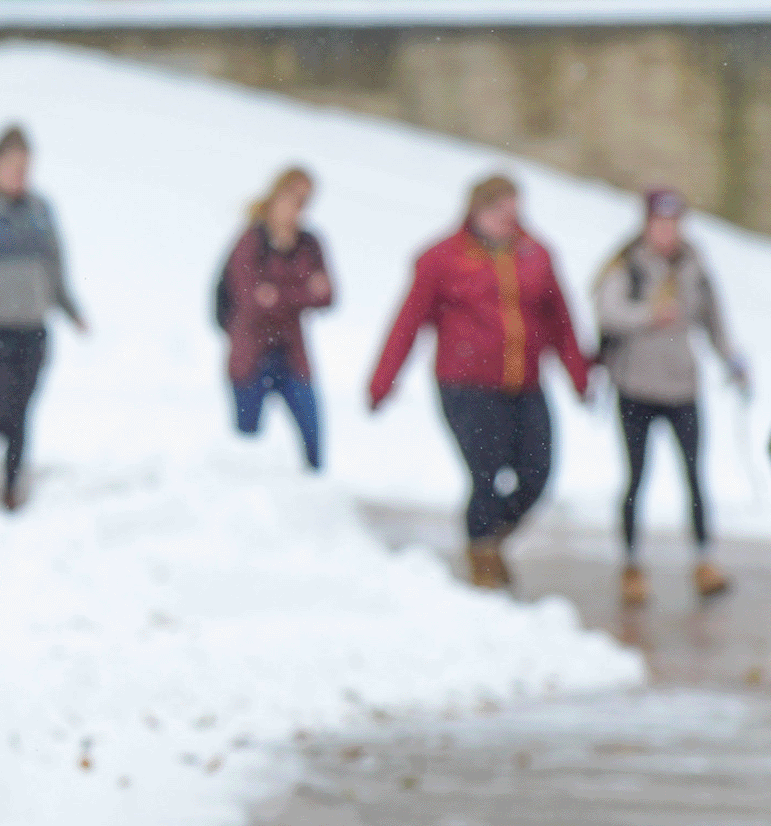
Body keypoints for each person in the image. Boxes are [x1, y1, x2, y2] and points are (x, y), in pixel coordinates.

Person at [368, 174, 591, 589]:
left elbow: (560, 318)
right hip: (465, 383)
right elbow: (409, 321)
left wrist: (579, 375)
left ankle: (490, 537)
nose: (510, 219)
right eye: (500, 210)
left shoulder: (536, 255)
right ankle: (482, 554)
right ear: (477, 211)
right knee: (486, 473)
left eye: (515, 209)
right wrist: (383, 380)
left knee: (537, 471)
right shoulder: (443, 257)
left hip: (524, 382)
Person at [593, 187, 748, 604]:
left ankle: (704, 558)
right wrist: (649, 315)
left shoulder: (695, 266)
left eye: (673, 224)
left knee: (695, 477)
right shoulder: (627, 265)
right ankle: (631, 564)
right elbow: (607, 312)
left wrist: (733, 361)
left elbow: (714, 321)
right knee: (635, 477)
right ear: (646, 224)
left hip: (683, 387)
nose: (667, 232)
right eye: (659, 224)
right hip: (636, 388)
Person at [0, 125, 85, 510]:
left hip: (34, 331)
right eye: (13, 166)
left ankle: (12, 491)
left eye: (26, 167)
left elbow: (55, 266)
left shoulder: (40, 210)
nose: (20, 175)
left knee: (22, 414)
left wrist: (71, 310)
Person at [219, 166, 333, 470]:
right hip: (252, 353)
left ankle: (313, 498)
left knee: (312, 437)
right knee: (246, 442)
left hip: (291, 352)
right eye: (293, 197)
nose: (297, 207)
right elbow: (251, 299)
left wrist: (277, 294)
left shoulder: (309, 244)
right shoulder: (252, 241)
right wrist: (301, 292)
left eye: (305, 200)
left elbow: (328, 295)